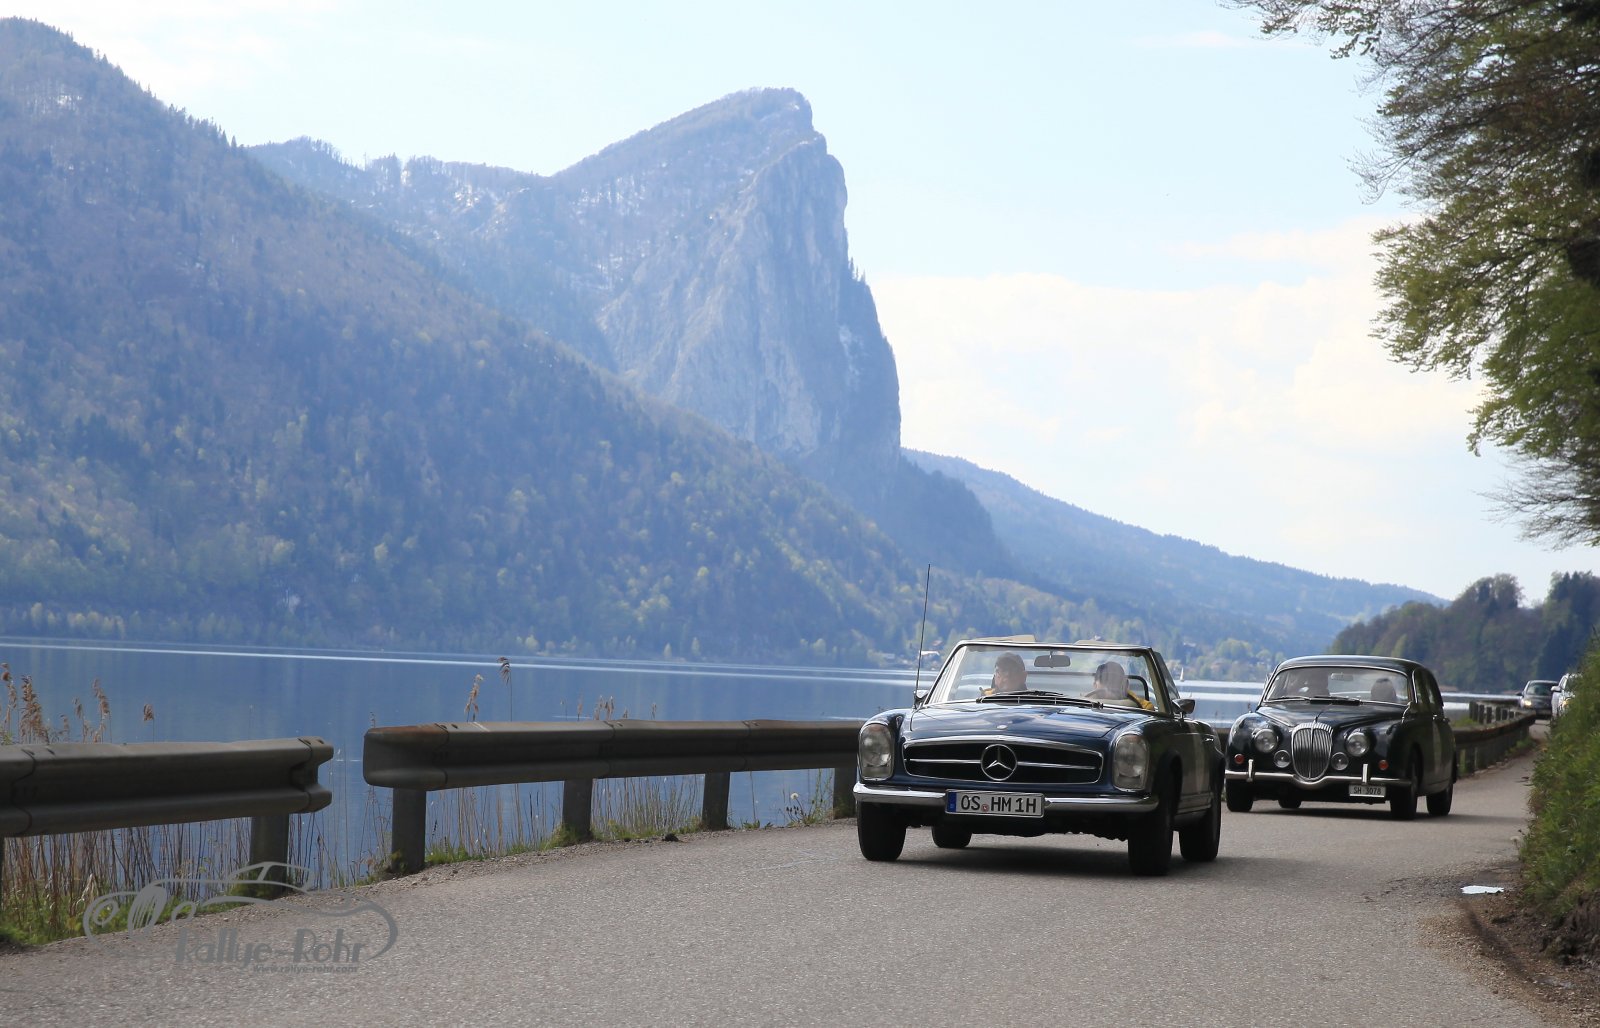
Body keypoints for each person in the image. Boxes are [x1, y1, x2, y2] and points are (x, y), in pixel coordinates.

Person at [1088, 661, 1153, 709]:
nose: (1110, 684)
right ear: (1095, 685)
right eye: (1104, 680)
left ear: (1125, 685)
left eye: (1116, 680)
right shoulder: (1085, 702)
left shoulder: (1144, 706)